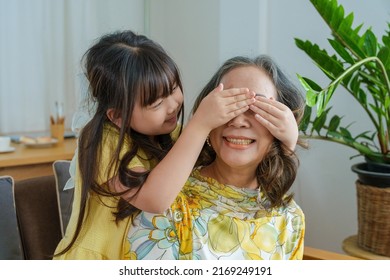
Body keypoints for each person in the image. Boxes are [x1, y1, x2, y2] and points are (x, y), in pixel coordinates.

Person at [53, 30, 255, 259]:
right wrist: (199, 125)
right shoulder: (102, 141)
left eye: (173, 90)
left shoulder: (171, 134)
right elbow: (154, 199)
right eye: (157, 103)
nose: (172, 106)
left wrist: (286, 140)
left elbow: (222, 164)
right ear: (118, 116)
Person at [126, 55, 306, 260]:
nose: (238, 121)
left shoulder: (291, 218)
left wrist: (286, 146)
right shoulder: (168, 202)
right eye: (229, 104)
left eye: (258, 107)